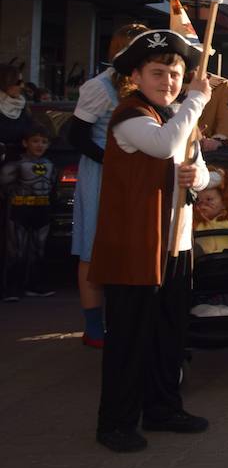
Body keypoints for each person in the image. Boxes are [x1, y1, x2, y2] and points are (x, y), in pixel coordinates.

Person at [88, 29, 211, 453]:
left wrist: (200, 176)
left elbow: (201, 165)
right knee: (129, 338)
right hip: (137, 251)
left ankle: (163, 408)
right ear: (137, 76)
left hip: (174, 246)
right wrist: (196, 100)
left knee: (168, 335)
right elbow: (164, 146)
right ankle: (116, 422)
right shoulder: (131, 115)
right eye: (158, 73)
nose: (169, 82)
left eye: (175, 74)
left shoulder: (177, 116)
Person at [68, 23, 149, 346]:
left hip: (136, 178)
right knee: (93, 249)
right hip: (102, 177)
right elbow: (76, 135)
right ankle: (93, 327)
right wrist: (113, 161)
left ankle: (123, 319)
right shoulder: (99, 87)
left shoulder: (145, 85)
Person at [1, 127, 56, 300]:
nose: (40, 145)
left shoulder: (51, 165)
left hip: (42, 209)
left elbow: (53, 188)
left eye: (44, 142)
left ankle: (34, 285)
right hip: (20, 210)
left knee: (38, 250)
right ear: (25, 143)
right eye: (35, 141)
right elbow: (3, 187)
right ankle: (11, 289)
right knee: (16, 251)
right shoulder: (15, 165)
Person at [0, 65, 37, 160]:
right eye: (18, 82)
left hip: (21, 164)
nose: (22, 86)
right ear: (5, 82)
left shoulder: (22, 106)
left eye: (22, 82)